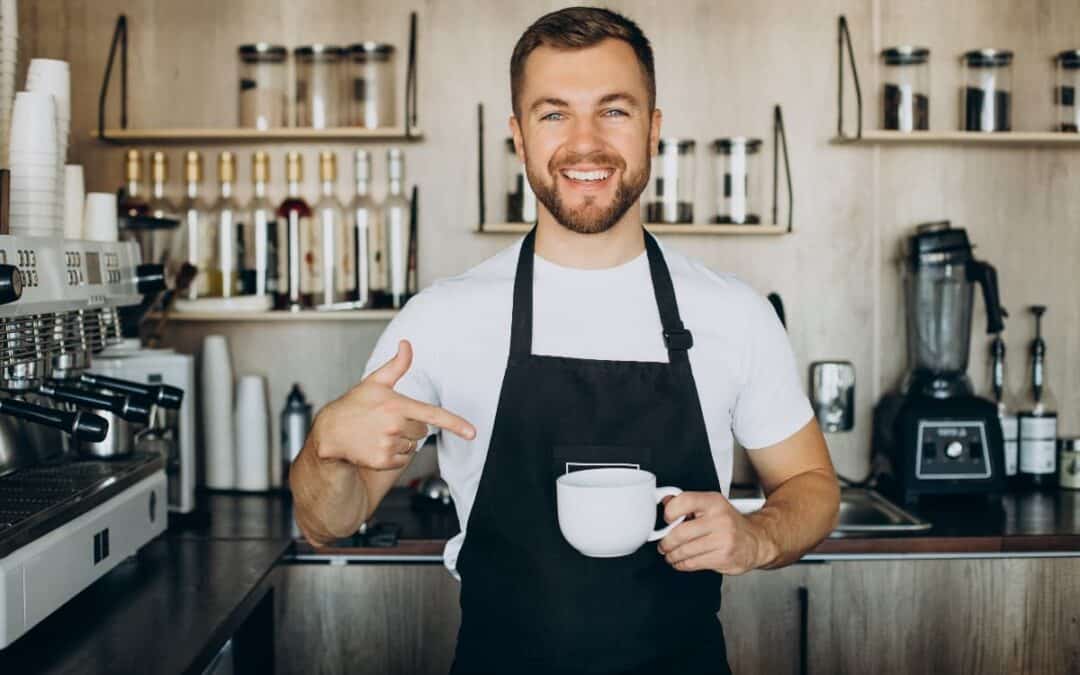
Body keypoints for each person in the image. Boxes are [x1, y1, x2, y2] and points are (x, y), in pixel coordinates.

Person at [290, 6, 840, 674]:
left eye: (614, 110)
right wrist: (325, 448)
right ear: (519, 138)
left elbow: (812, 485)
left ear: (653, 129)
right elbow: (329, 521)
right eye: (554, 114)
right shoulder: (440, 320)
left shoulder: (735, 314)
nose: (586, 143)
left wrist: (757, 535)